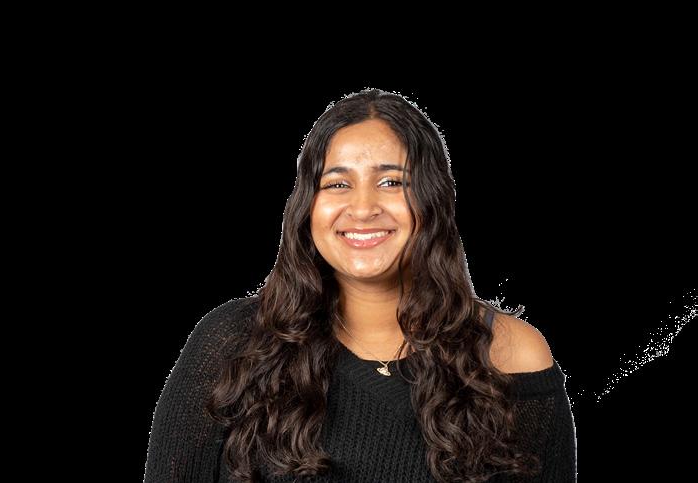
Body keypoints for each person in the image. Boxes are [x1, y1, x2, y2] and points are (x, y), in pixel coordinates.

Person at [144, 88, 577, 482]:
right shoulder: (231, 343)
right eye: (338, 183)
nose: (363, 207)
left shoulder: (511, 355)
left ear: (432, 199)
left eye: (391, 182)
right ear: (308, 207)